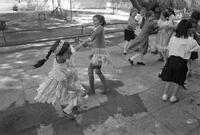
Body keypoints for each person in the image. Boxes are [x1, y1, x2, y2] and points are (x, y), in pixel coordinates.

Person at [33, 40, 88, 118]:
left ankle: (67, 106)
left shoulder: (62, 56)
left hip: (71, 79)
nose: (71, 53)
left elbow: (74, 49)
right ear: (60, 55)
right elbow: (66, 86)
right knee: (76, 96)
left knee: (70, 97)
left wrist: (82, 44)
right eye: (68, 52)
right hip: (67, 84)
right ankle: (67, 111)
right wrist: (79, 90)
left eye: (70, 50)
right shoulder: (58, 70)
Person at [160, 19, 200, 103]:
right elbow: (197, 48)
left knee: (169, 79)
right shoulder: (190, 41)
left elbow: (169, 49)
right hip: (181, 62)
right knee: (179, 80)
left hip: (171, 61)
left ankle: (165, 95)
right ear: (188, 29)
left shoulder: (173, 38)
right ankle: (173, 97)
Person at [78, 15, 112, 95]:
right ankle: (106, 88)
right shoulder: (97, 29)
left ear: (101, 22)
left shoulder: (100, 28)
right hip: (99, 52)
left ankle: (92, 90)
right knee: (97, 70)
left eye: (96, 20)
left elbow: (92, 37)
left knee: (90, 70)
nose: (94, 21)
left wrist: (86, 41)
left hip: (100, 53)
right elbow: (96, 43)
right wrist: (91, 52)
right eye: (93, 20)